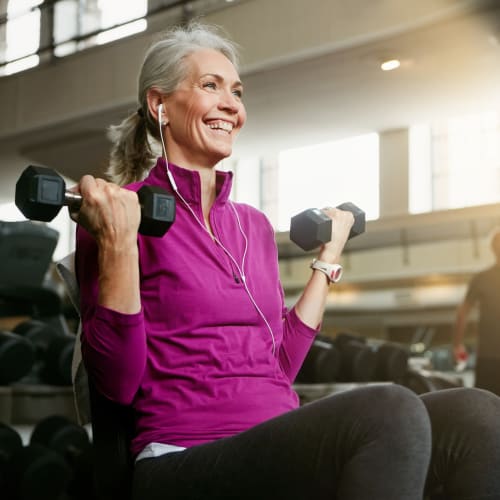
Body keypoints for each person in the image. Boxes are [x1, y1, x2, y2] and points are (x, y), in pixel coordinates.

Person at [71, 21, 500, 500]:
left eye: (237, 91)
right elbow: (117, 385)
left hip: (272, 439)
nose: (232, 104)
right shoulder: (119, 214)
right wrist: (118, 244)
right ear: (160, 105)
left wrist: (329, 258)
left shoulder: (252, 226)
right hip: (182, 455)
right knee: (390, 411)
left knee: (476, 415)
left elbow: (278, 367)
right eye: (210, 86)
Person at [453, 228, 500, 395]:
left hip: (489, 357)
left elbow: (462, 312)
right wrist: (457, 345)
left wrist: (457, 345)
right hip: (489, 357)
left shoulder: (481, 278)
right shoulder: (481, 279)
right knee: (487, 406)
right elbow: (463, 312)